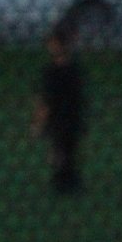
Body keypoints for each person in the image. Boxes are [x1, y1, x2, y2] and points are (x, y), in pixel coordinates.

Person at [31, 18, 87, 195]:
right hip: (71, 117)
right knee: (66, 150)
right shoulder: (74, 70)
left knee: (60, 152)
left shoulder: (52, 72)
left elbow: (45, 100)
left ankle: (64, 181)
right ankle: (68, 181)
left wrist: (38, 122)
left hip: (59, 118)